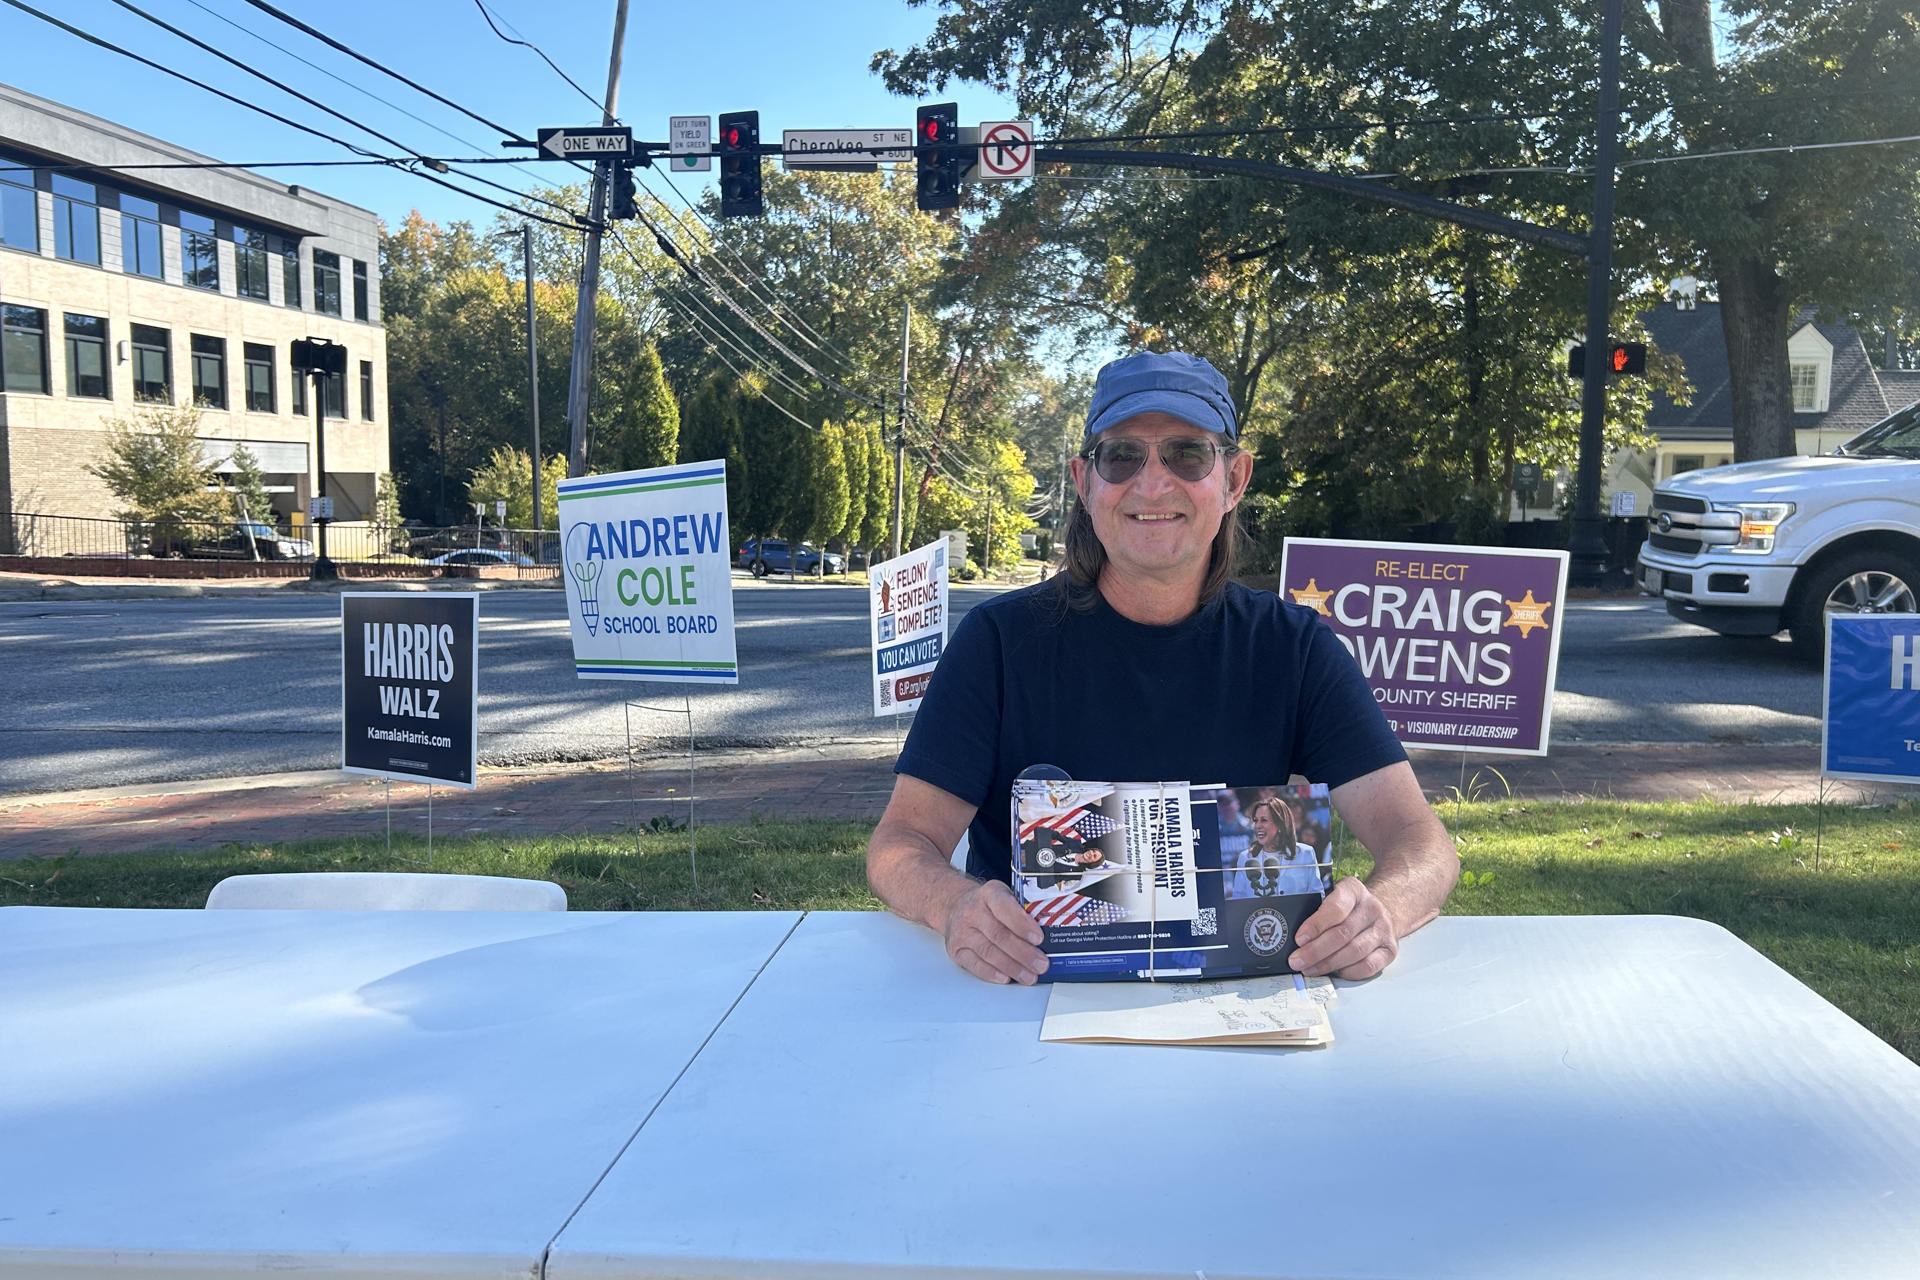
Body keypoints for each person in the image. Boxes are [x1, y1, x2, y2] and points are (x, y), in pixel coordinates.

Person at [865, 350, 1458, 985]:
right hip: (1029, 997)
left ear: (1233, 480)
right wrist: (954, 905)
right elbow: (901, 844)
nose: (1152, 484)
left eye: (1187, 454)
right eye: (1121, 456)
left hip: (1244, 1009)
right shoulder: (997, 645)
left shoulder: (1296, 650)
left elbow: (1422, 846)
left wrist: (1381, 912)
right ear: (1084, 481)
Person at [1235, 797, 1327, 898]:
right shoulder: (1245, 858)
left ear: (1280, 824)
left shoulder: (1306, 853)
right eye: (1256, 821)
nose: (1257, 826)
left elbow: (1317, 896)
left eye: (1264, 820)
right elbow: (1239, 899)